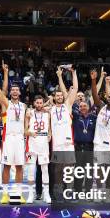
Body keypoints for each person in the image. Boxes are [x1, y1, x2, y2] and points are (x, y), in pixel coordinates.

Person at [0, 61, 25, 203]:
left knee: (19, 166)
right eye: (13, 90)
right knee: (6, 166)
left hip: (20, 138)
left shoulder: (24, 106)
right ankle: (5, 193)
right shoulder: (7, 104)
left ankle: (18, 194)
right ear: (11, 93)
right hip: (9, 138)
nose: (15, 92)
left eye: (17, 90)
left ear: (20, 92)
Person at [49, 65, 78, 202]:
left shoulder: (68, 106)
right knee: (58, 169)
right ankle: (58, 191)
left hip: (68, 143)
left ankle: (70, 191)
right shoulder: (50, 109)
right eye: (57, 95)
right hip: (57, 144)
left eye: (61, 95)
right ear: (54, 97)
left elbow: (75, 88)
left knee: (70, 169)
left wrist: (73, 73)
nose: (60, 96)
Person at [25, 95, 51, 203]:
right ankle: (31, 194)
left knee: (45, 170)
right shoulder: (29, 114)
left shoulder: (47, 114)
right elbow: (25, 131)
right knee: (31, 170)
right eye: (37, 103)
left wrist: (49, 135)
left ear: (43, 103)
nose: (39, 105)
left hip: (43, 145)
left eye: (41, 103)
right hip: (32, 145)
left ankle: (46, 194)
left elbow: (49, 129)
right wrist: (30, 132)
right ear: (34, 103)